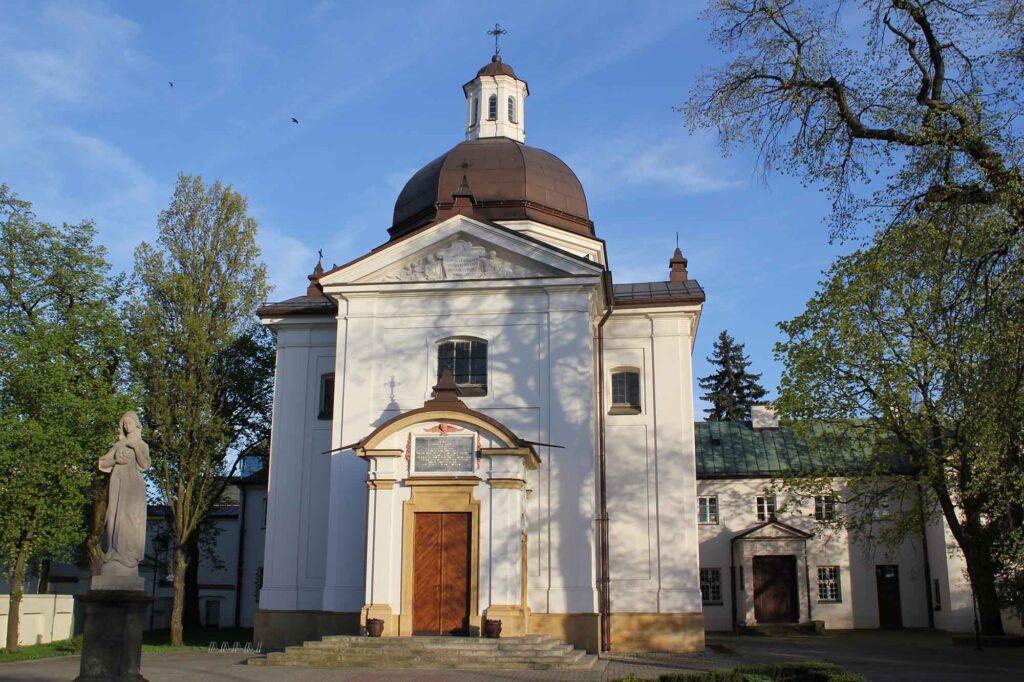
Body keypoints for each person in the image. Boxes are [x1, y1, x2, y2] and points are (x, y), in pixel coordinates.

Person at [98, 412, 151, 569]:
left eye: (130, 423)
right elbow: (103, 463)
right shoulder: (118, 444)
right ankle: (112, 550)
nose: (127, 426)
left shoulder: (142, 445)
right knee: (112, 514)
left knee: (129, 515)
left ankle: (127, 553)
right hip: (117, 481)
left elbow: (144, 465)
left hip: (132, 483)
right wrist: (115, 460)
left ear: (136, 425)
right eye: (125, 424)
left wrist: (136, 448)